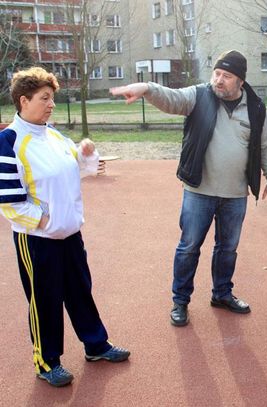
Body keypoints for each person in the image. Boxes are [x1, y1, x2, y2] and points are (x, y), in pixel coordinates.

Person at [110, 50, 267, 327]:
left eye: (226, 76)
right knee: (189, 247)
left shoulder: (256, 108)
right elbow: (172, 99)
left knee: (228, 248)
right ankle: (180, 301)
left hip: (235, 193)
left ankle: (222, 293)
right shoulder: (199, 96)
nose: (219, 80)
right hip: (199, 190)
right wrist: (147, 89)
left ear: (240, 81)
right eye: (217, 73)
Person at [0, 67, 130, 388]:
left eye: (52, 98)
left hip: (70, 235)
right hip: (37, 240)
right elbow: (8, 199)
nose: (51, 104)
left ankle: (96, 345)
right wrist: (45, 221)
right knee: (44, 298)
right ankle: (48, 362)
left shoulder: (55, 135)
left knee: (79, 291)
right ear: (23, 100)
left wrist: (86, 153)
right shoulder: (9, 141)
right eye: (45, 98)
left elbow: (82, 171)